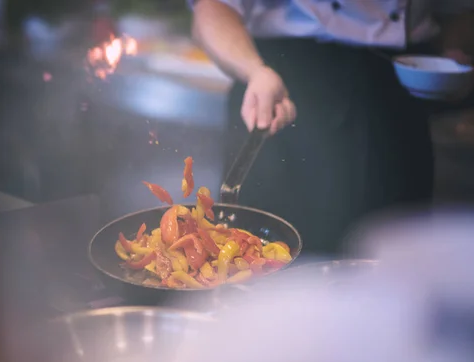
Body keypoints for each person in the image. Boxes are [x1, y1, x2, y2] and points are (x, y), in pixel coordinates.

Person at [190, 0, 474, 256]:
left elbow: (456, 14)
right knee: (266, 259)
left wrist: (451, 53)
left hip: (397, 94)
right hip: (282, 85)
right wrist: (255, 71)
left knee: (389, 260)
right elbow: (213, 6)